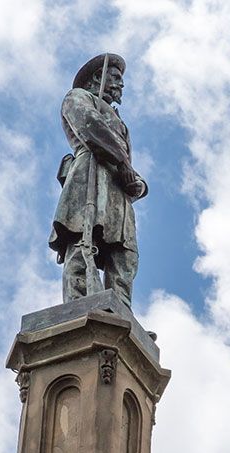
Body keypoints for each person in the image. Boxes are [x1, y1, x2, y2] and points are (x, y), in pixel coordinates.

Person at [53, 53, 148, 305]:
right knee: (83, 240)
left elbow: (128, 165)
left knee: (124, 256)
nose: (121, 84)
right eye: (115, 77)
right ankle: (79, 303)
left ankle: (120, 311)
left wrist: (138, 184)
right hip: (89, 178)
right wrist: (122, 161)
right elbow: (91, 126)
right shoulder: (77, 97)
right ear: (99, 77)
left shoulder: (120, 120)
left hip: (117, 191)